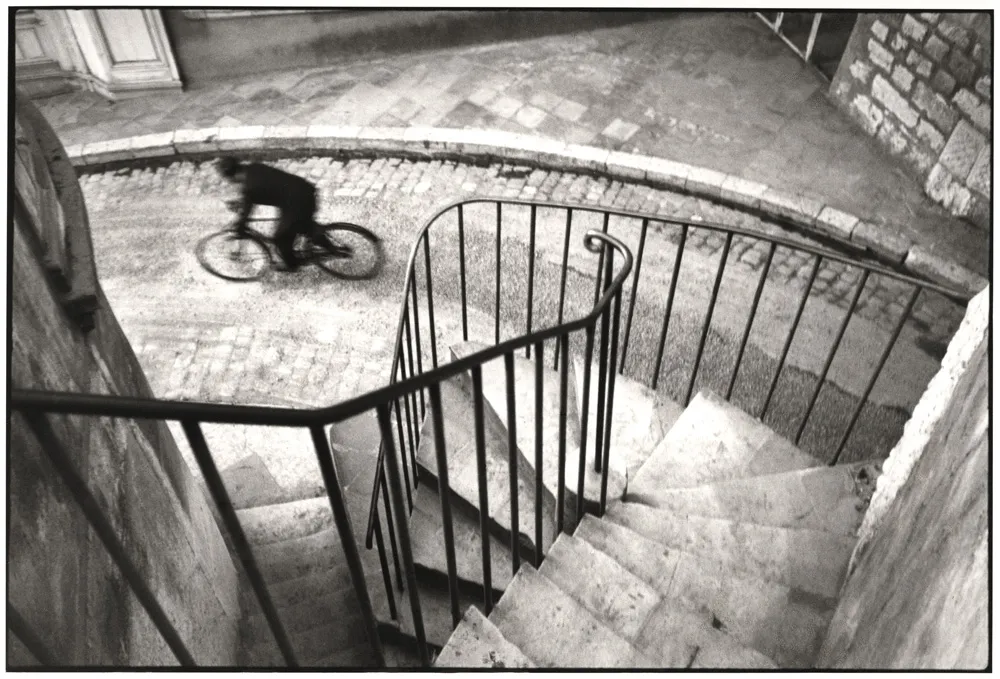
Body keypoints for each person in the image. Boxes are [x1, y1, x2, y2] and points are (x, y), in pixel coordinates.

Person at [216, 157, 340, 271]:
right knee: (303, 226)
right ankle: (330, 247)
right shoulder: (255, 167)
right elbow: (262, 190)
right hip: (303, 190)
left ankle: (291, 265)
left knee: (280, 238)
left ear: (231, 177)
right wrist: (242, 204)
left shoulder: (249, 188)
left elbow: (247, 212)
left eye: (227, 179)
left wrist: (239, 227)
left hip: (296, 203)